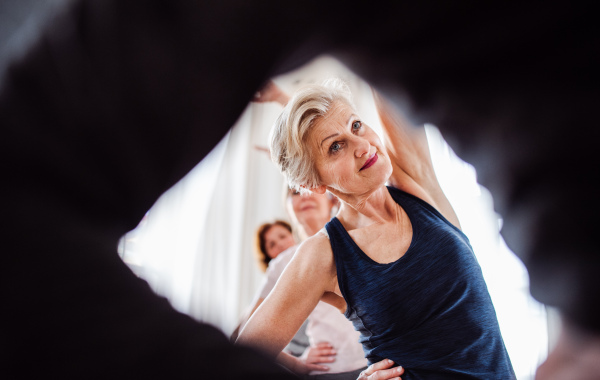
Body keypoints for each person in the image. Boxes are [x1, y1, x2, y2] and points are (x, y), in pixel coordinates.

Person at [237, 79, 515, 379]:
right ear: (313, 184)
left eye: (356, 125)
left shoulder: (415, 184)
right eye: (335, 147)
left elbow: (391, 66)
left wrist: (282, 94)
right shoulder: (324, 254)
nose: (362, 145)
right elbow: (237, 361)